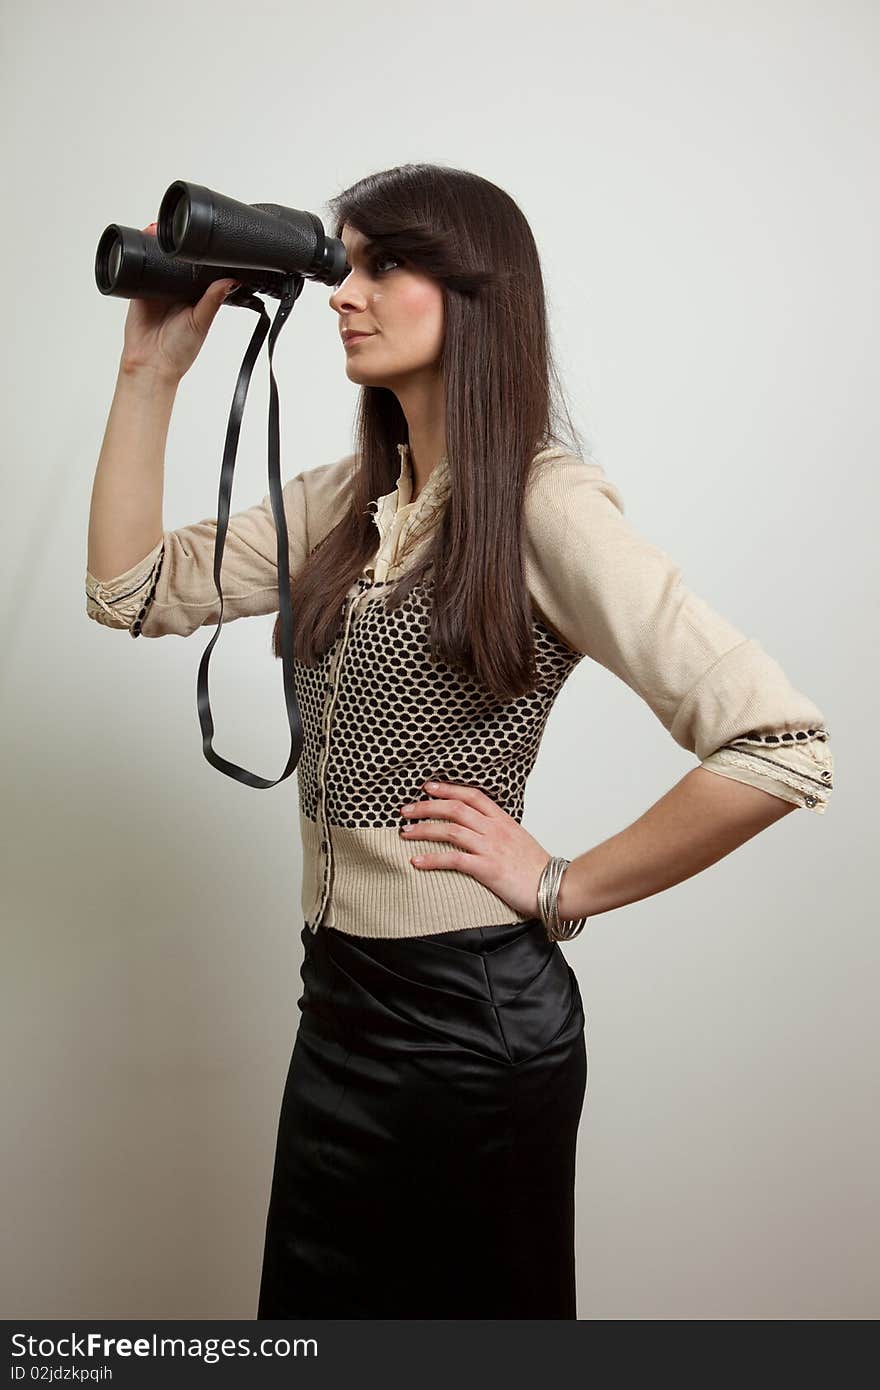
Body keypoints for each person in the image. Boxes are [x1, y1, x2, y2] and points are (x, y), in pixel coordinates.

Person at [85, 163, 833, 1319]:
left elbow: (779, 745)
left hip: (468, 1029)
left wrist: (559, 880)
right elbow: (130, 590)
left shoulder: (546, 505)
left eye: (385, 264)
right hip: (335, 1007)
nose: (344, 289)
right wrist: (150, 369)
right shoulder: (352, 498)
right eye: (340, 261)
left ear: (479, 296)